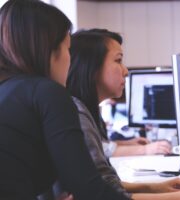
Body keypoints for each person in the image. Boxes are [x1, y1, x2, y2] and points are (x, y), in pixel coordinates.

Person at [66, 28, 180, 200]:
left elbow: (107, 186)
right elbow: (108, 196)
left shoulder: (86, 112)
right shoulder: (76, 114)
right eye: (118, 60)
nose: (125, 71)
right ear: (91, 67)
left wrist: (157, 187)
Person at [0, 1, 130, 199]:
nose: (71, 59)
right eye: (68, 49)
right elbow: (90, 190)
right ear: (50, 50)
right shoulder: (47, 92)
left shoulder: (9, 91)